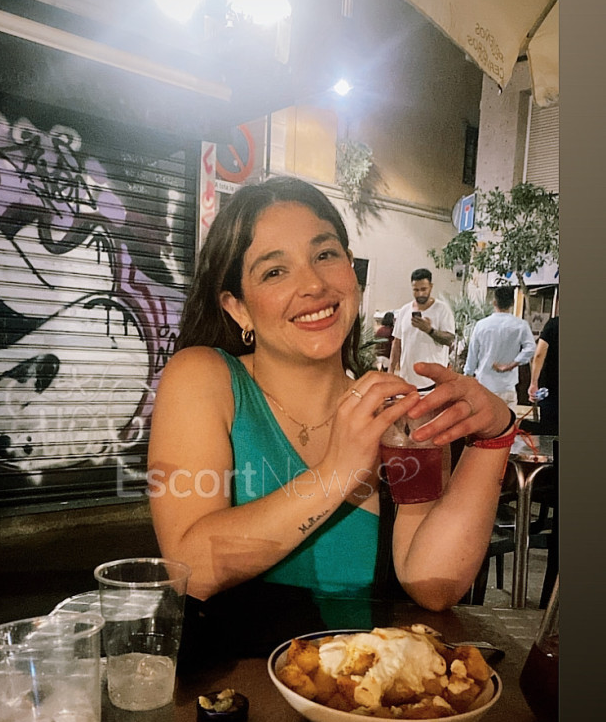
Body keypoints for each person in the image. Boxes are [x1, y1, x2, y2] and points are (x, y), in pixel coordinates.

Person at [147, 178, 516, 657]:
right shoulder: (203, 377)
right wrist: (336, 473)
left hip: (357, 688)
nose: (313, 285)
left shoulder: (393, 414)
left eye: (325, 255)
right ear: (237, 308)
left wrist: (494, 436)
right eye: (275, 271)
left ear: (351, 269)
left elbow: (433, 586)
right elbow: (190, 567)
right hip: (233, 693)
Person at [463, 283, 536, 407]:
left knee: (485, 419)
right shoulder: (520, 325)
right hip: (508, 387)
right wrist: (511, 365)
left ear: (494, 302)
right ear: (512, 303)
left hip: (484, 386)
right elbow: (531, 348)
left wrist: (467, 376)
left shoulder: (481, 325)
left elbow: (472, 355)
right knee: (508, 419)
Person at [389, 268, 455, 391]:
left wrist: (429, 330)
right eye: (416, 290)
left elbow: (449, 339)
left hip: (433, 382)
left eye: (424, 289)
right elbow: (397, 342)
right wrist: (391, 370)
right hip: (407, 380)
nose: (420, 294)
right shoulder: (404, 311)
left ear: (431, 287)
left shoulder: (442, 310)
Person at [528, 314, 559, 435]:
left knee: (549, 431)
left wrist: (533, 383)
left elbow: (539, 354)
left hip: (552, 389)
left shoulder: (554, 324)